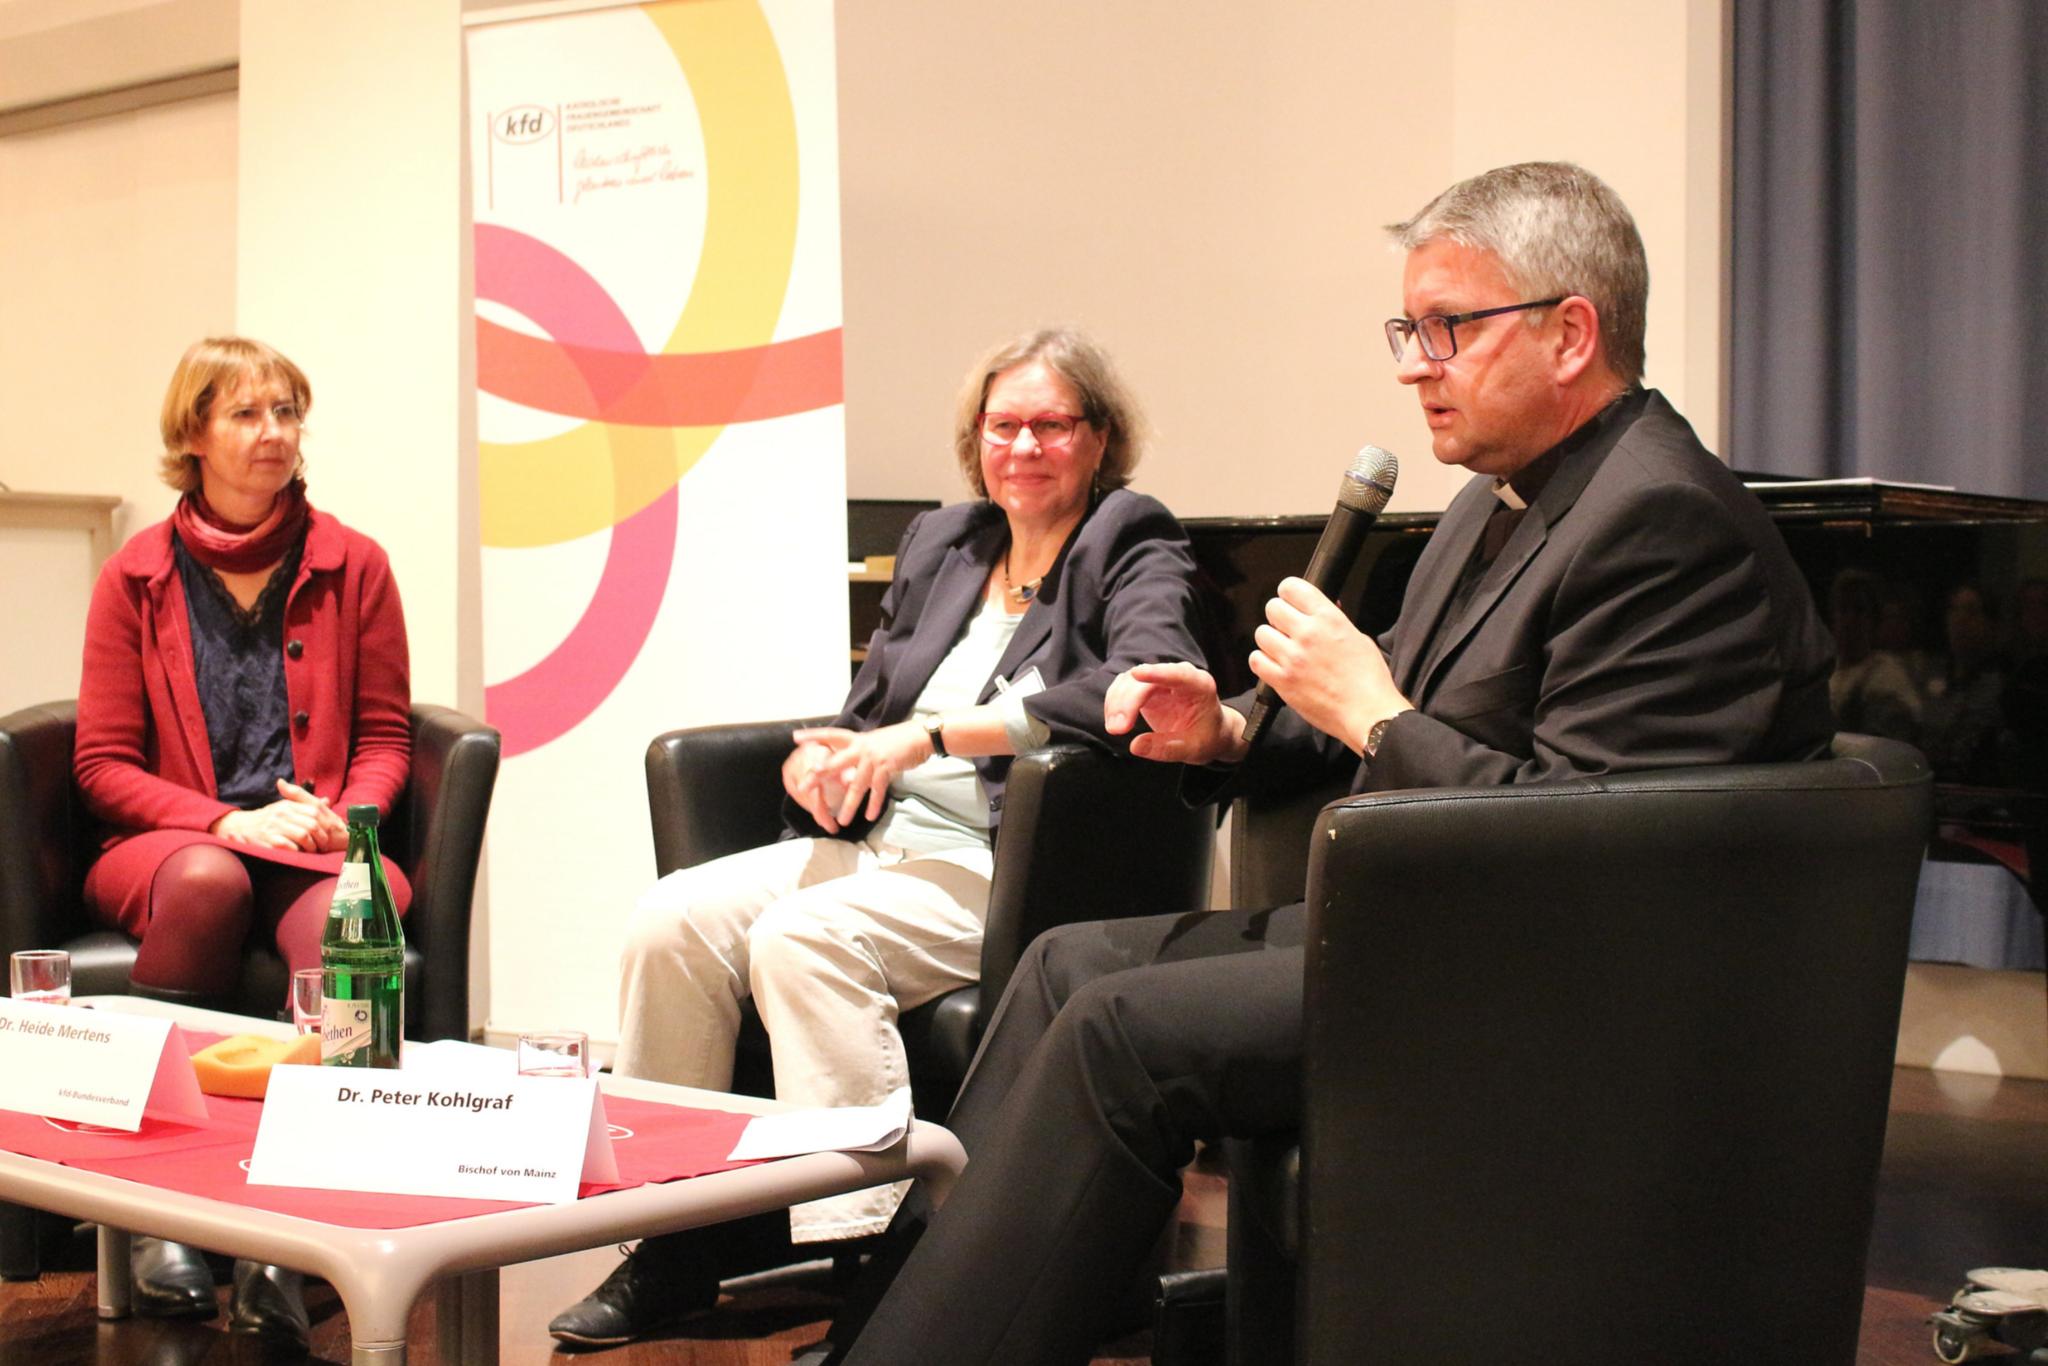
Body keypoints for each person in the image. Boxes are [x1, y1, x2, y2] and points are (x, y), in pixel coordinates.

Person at [827, 162, 1837, 1365]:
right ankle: (909, 1325)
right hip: (1429, 934)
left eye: (1448, 328)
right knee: (1058, 959)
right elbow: (1382, 695)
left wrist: (1372, 716)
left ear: (1571, 334)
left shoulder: (1664, 521)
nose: (1414, 362)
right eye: (1408, 329)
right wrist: (1232, 730)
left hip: (1547, 980)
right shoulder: (1489, 501)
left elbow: (1585, 850)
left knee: (1113, 1026)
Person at [547, 327, 1209, 1348]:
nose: (1022, 446)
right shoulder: (947, 540)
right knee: (669, 921)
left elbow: (1134, 687)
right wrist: (825, 758)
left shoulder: (1129, 536)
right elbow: (872, 706)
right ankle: (674, 1232)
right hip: (882, 840)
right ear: (973, 440)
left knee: (802, 938)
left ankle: (886, 1257)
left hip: (1010, 856)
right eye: (1002, 426)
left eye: (1049, 424)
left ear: (1099, 437)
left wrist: (934, 735)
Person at [74, 336, 411, 1350]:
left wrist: (344, 820)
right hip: (179, 843)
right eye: (247, 415)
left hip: (312, 838)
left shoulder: (355, 562)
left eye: (286, 414)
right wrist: (221, 817)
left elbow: (391, 736)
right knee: (210, 882)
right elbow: (100, 764)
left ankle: (297, 1223)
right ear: (194, 436)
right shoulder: (132, 576)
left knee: (357, 912)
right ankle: (153, 1209)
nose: (274, 435)